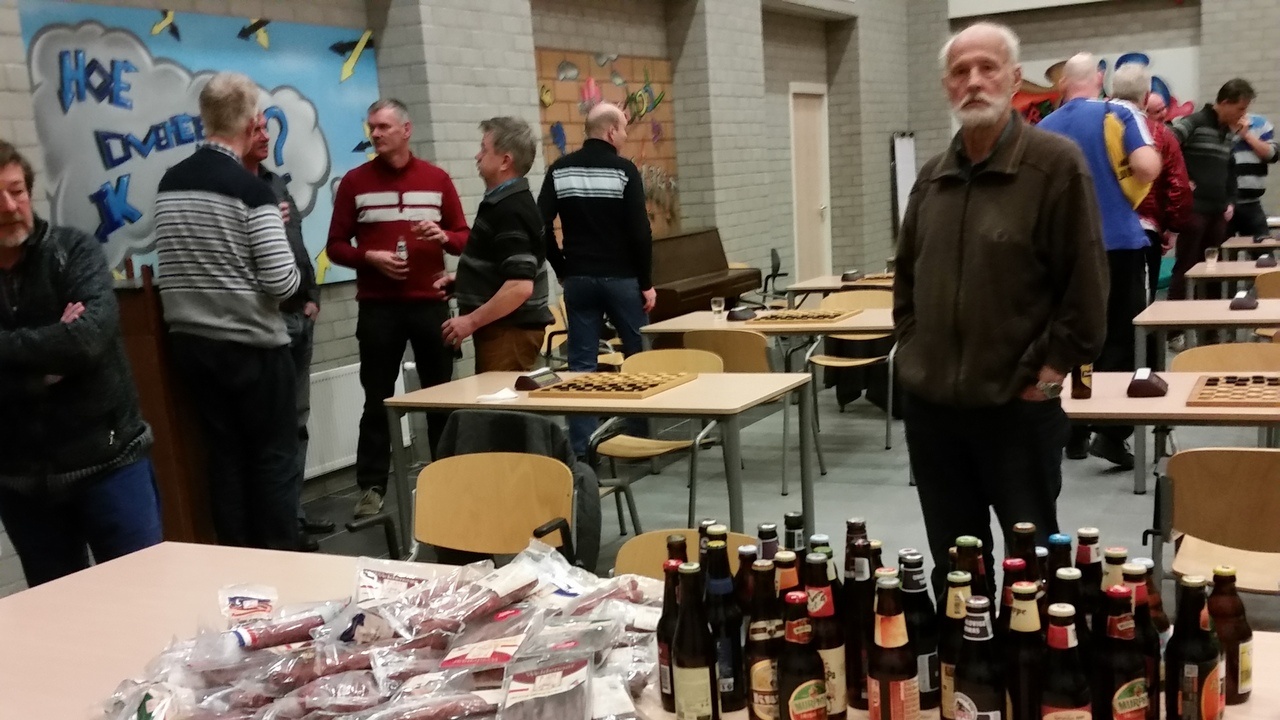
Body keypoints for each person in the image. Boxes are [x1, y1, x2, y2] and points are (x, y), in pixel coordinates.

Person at [894, 22, 1108, 597]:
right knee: (955, 566)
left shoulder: (1053, 165)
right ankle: (964, 653)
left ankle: (1034, 656)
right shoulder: (931, 179)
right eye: (960, 71)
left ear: (1014, 79)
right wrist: (914, 353)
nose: (973, 81)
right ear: (947, 85)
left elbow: (1086, 286)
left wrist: (1049, 372)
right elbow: (906, 282)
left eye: (987, 68)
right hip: (934, 412)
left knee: (1030, 570)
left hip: (1017, 408)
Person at [0, 141, 162, 586]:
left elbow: (87, 342)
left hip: (109, 460)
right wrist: (44, 368)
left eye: (16, 191)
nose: (9, 207)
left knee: (144, 591)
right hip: (22, 480)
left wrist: (20, 359)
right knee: (59, 611)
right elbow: (67, 347)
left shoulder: (73, 251)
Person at [155, 72, 302, 551]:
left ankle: (237, 566)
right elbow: (282, 283)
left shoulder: (170, 184)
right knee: (272, 461)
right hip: (252, 348)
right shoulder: (252, 192)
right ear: (251, 120)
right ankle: (282, 562)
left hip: (191, 347)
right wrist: (275, 234)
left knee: (225, 459)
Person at [326, 99, 470, 519]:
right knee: (377, 399)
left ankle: (448, 478)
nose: (375, 134)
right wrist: (369, 258)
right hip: (378, 308)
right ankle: (371, 488)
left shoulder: (436, 179)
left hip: (430, 306)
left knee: (441, 397)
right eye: (371, 127)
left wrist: (443, 236)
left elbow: (464, 237)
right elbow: (335, 247)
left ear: (406, 130)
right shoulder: (355, 182)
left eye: (383, 127)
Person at [1036, 54, 1161, 470]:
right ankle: (1111, 433)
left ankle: (1071, 431)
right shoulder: (1119, 113)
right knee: (1119, 339)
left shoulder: (1042, 127)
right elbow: (1146, 166)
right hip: (1118, 242)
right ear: (1100, 78)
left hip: (1063, 250)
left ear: (1062, 84)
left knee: (1071, 335)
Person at [538, 103, 654, 457]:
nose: (626, 136)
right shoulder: (624, 170)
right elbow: (640, 232)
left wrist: (562, 267)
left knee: (581, 367)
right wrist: (646, 282)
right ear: (610, 131)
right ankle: (639, 438)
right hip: (622, 280)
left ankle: (583, 449)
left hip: (579, 279)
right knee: (638, 356)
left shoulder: (559, 170)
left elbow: (540, 227)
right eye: (624, 129)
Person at [243, 113, 335, 551]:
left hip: (301, 315)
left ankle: (293, 515)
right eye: (256, 129)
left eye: (267, 128)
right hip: (268, 321)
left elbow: (297, 241)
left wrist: (313, 295)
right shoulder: (233, 190)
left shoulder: (275, 183)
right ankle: (277, 528)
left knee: (297, 422)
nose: (265, 136)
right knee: (272, 429)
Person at [435, 117, 552, 372]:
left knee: (499, 397)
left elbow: (519, 287)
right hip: (505, 328)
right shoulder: (504, 203)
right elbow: (508, 270)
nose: (477, 156)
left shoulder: (510, 209)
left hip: (510, 331)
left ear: (505, 161)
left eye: (484, 149)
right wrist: (467, 281)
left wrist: (470, 321)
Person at [1167, 79, 1254, 340]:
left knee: (1215, 272)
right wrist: (1182, 181)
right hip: (1194, 211)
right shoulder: (1193, 123)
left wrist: (1231, 200)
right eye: (1240, 108)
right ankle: (1174, 331)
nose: (1243, 115)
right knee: (1186, 269)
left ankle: (1211, 331)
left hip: (1218, 212)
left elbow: (1229, 170)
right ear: (1225, 103)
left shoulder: (1228, 132)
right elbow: (1166, 145)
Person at [1109, 64, 1193, 308]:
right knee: (1140, 307)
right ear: (1146, 97)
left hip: (1098, 229)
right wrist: (1172, 227)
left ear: (1111, 94)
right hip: (1143, 230)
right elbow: (1178, 186)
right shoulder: (1161, 134)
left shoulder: (1096, 127)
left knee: (1104, 304)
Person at [1228, 111, 1280, 238]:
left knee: (1263, 245)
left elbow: (1272, 155)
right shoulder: (1216, 124)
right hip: (1223, 205)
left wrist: (1246, 135)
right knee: (1219, 247)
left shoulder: (1260, 124)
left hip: (1252, 203)